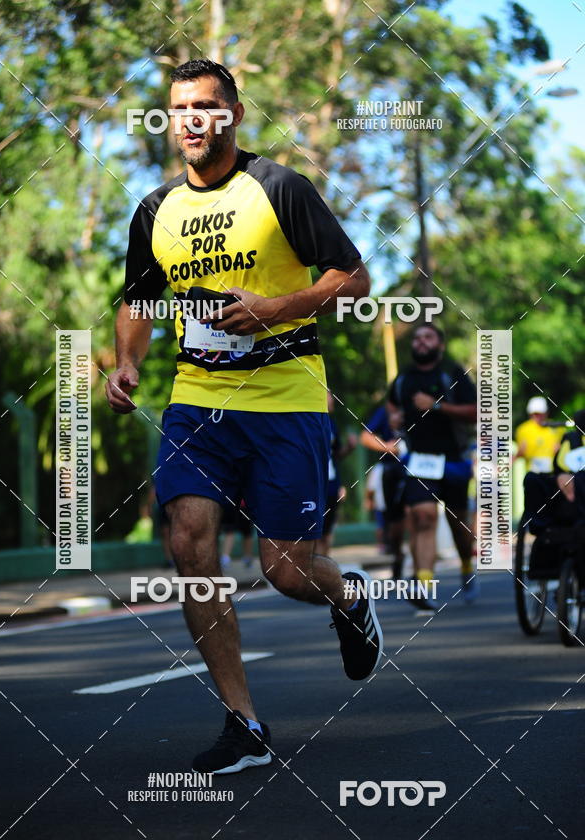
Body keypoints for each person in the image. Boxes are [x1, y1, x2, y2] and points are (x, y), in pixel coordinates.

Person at [105, 58, 382, 775]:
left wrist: (274, 308)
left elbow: (354, 278)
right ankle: (244, 724)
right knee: (190, 541)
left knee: (286, 570)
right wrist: (128, 361)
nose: (191, 119)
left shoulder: (279, 188)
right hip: (197, 399)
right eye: (178, 108)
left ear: (231, 113)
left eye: (205, 106)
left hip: (285, 398)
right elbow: (138, 299)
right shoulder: (155, 210)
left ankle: (348, 597)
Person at [387, 323, 478, 606]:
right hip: (420, 461)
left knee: (459, 527)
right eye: (416, 338)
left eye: (428, 337)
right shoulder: (403, 378)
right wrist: (395, 419)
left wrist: (437, 406)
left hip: (453, 459)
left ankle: (466, 564)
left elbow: (476, 411)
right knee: (423, 517)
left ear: (439, 344)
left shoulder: (452, 374)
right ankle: (424, 587)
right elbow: (392, 406)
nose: (421, 342)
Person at [360, 404, 406, 579]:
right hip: (392, 472)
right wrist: (387, 447)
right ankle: (398, 555)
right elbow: (365, 436)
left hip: (420, 469)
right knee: (395, 523)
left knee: (420, 514)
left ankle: (423, 577)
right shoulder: (387, 409)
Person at [315, 390, 357, 557]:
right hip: (314, 483)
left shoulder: (331, 424)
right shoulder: (309, 422)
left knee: (327, 531)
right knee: (315, 531)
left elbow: (336, 454)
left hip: (332, 482)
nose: (332, 399)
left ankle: (324, 565)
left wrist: (349, 447)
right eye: (328, 395)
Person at [515, 397, 563, 474]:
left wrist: (560, 450)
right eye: (535, 414)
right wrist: (520, 452)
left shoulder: (557, 427)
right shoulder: (522, 429)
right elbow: (520, 454)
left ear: (546, 413)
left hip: (554, 473)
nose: (538, 416)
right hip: (533, 474)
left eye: (540, 413)